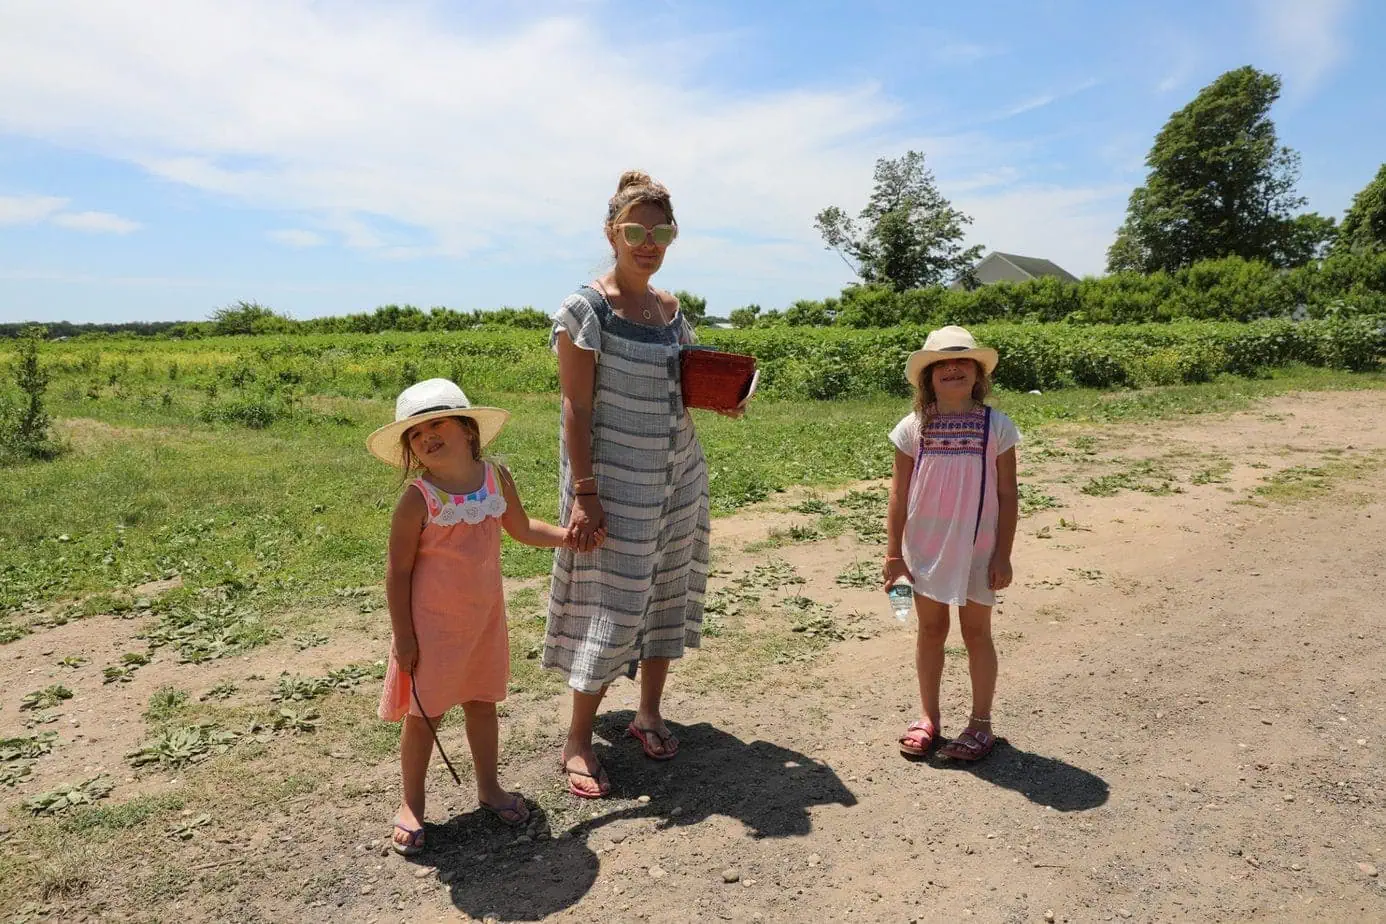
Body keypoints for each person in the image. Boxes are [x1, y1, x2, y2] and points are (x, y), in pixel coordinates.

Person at [544, 170, 732, 798]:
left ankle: (648, 713)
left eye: (662, 231)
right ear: (612, 233)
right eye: (636, 230)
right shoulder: (585, 310)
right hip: (613, 483)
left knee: (668, 591)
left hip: (678, 471)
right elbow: (575, 407)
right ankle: (576, 739)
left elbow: (682, 385)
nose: (648, 242)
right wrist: (586, 493)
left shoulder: (672, 310)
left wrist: (722, 394)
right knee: (615, 600)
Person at [369, 378, 587, 855]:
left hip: (484, 620)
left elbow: (523, 528)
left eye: (437, 422)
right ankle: (412, 804)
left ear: (468, 429)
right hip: (430, 631)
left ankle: (489, 788)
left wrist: (568, 535)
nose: (426, 435)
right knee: (424, 717)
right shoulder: (417, 498)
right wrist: (403, 637)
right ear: (411, 449)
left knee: (482, 704)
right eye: (415, 432)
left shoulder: (496, 479)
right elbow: (398, 571)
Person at [883, 326, 1021, 762]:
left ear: (978, 375)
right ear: (928, 377)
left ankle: (981, 723)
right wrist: (894, 556)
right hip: (925, 550)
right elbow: (899, 494)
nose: (953, 368)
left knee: (977, 633)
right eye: (942, 363)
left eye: (963, 361)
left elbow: (1007, 494)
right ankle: (929, 716)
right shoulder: (912, 428)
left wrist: (1003, 554)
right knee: (930, 631)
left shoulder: (997, 427)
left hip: (979, 551)